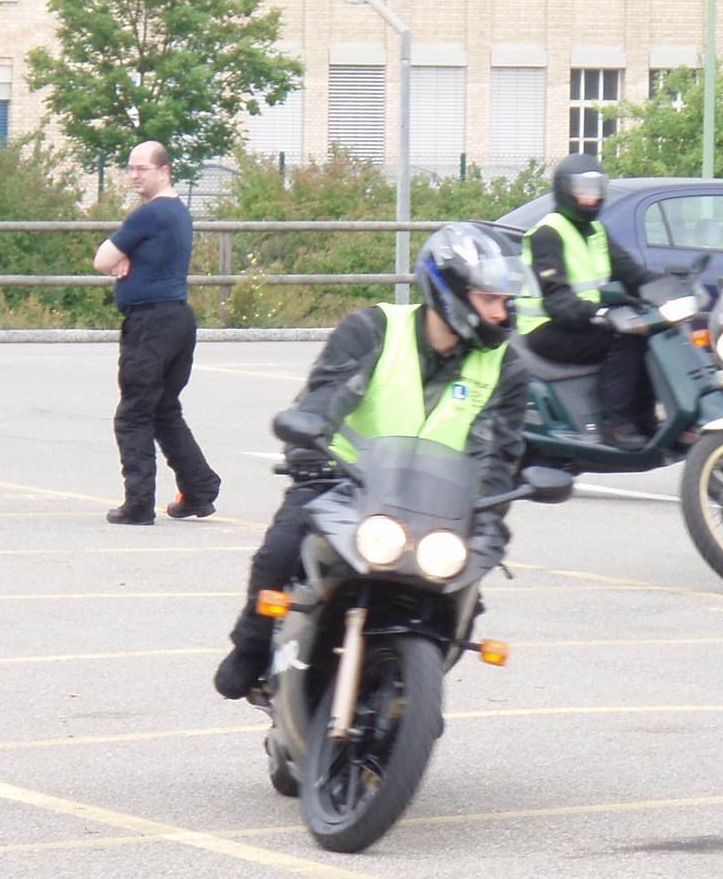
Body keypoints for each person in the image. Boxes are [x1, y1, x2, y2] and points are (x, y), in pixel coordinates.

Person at [212, 222, 532, 700]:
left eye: (507, 300)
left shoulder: (505, 367)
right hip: (343, 482)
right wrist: (308, 447)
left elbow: (498, 454)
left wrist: (487, 506)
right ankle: (252, 646)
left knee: (464, 592)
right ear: (449, 292)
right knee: (279, 551)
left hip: (437, 505)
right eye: (491, 298)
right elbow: (324, 399)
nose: (502, 312)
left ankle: (410, 692)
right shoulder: (374, 330)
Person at [92, 141, 222, 526]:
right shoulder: (178, 212)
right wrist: (129, 255)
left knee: (134, 414)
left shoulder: (149, 215)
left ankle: (138, 504)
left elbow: (102, 260)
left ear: (164, 170)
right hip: (178, 319)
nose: (134, 175)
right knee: (164, 409)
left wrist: (123, 255)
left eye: (142, 169)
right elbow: (117, 259)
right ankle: (199, 490)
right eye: (130, 168)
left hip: (151, 323)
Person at [515, 155, 656, 448]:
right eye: (583, 190)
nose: (591, 198)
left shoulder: (597, 232)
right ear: (564, 190)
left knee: (651, 331)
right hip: (546, 328)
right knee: (626, 336)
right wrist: (601, 312)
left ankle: (646, 420)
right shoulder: (548, 233)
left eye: (595, 189)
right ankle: (615, 424)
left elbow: (632, 273)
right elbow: (557, 299)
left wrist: (670, 287)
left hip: (583, 320)